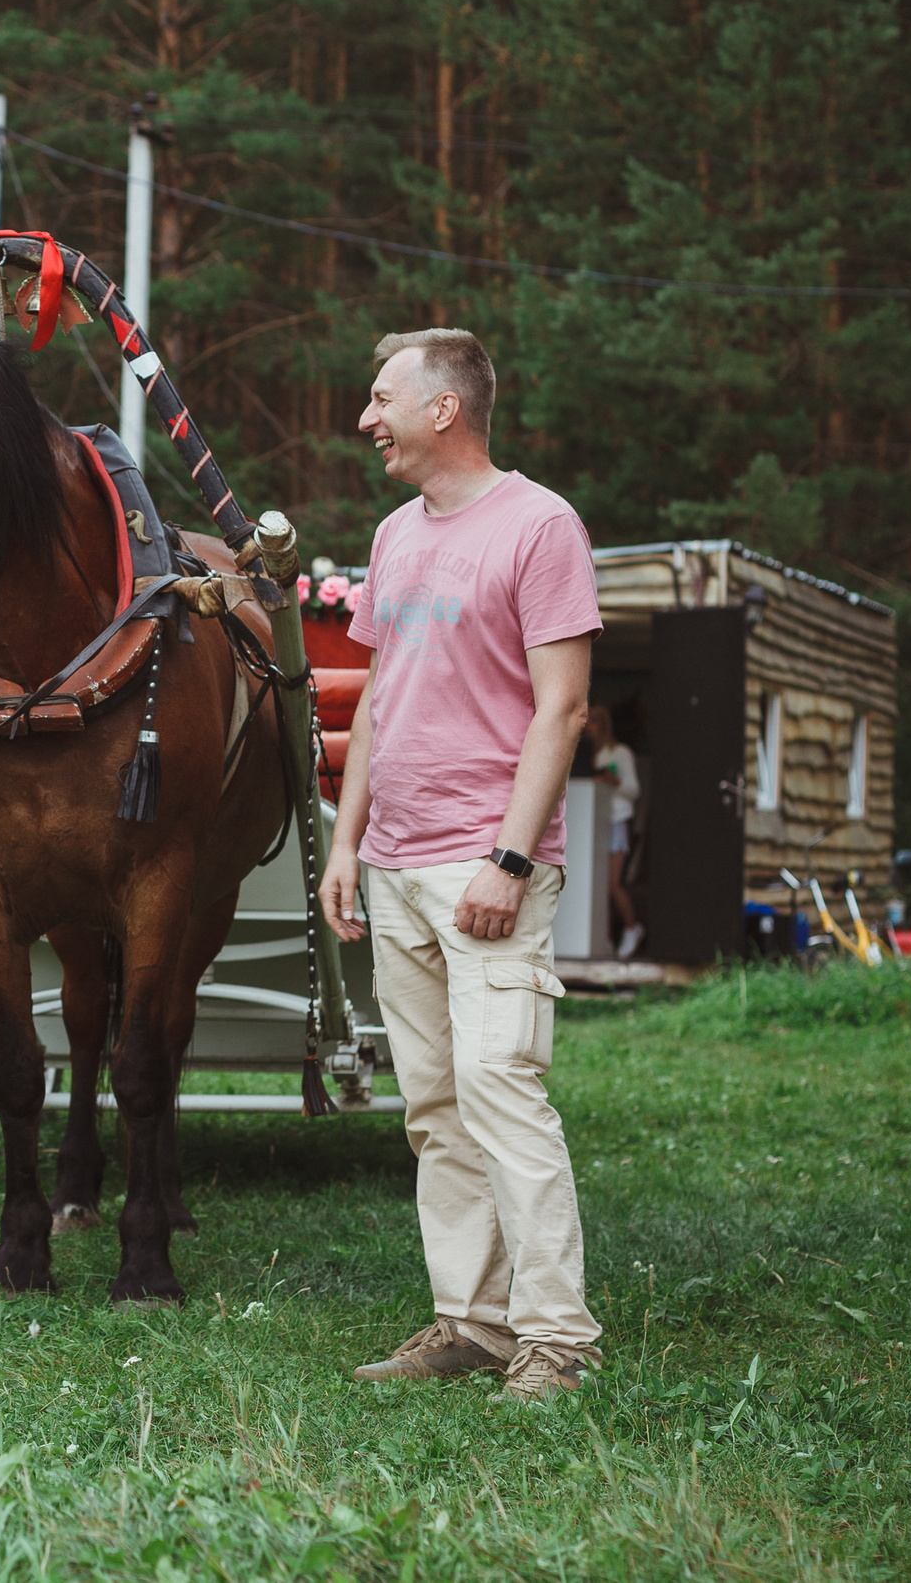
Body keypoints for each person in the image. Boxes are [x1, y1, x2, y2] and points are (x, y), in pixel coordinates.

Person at [318, 328, 604, 1404]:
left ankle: (556, 1338)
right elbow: (379, 703)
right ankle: (473, 1323)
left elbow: (562, 708)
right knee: (433, 1104)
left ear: (444, 410)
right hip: (392, 863)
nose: (364, 418)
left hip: (486, 864)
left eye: (380, 396)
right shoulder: (393, 537)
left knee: (501, 1091)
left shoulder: (540, 526)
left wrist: (509, 859)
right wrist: (348, 844)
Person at [585, 705, 643, 958]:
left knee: (612, 884)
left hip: (616, 821)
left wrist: (611, 781)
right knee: (595, 886)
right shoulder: (587, 754)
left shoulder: (618, 753)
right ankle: (604, 940)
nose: (589, 727)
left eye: (594, 722)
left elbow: (633, 790)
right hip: (591, 823)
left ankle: (632, 928)